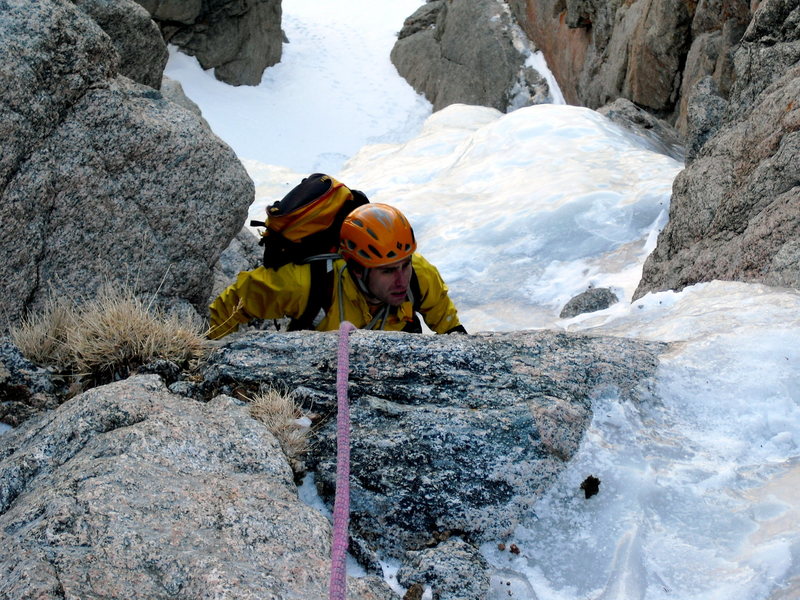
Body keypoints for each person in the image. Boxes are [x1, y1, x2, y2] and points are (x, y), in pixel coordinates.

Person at [208, 203, 466, 339]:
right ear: (356, 268)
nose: (401, 279)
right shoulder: (308, 284)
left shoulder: (420, 274)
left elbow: (449, 327)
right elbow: (239, 300)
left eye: (404, 265)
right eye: (387, 271)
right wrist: (207, 350)